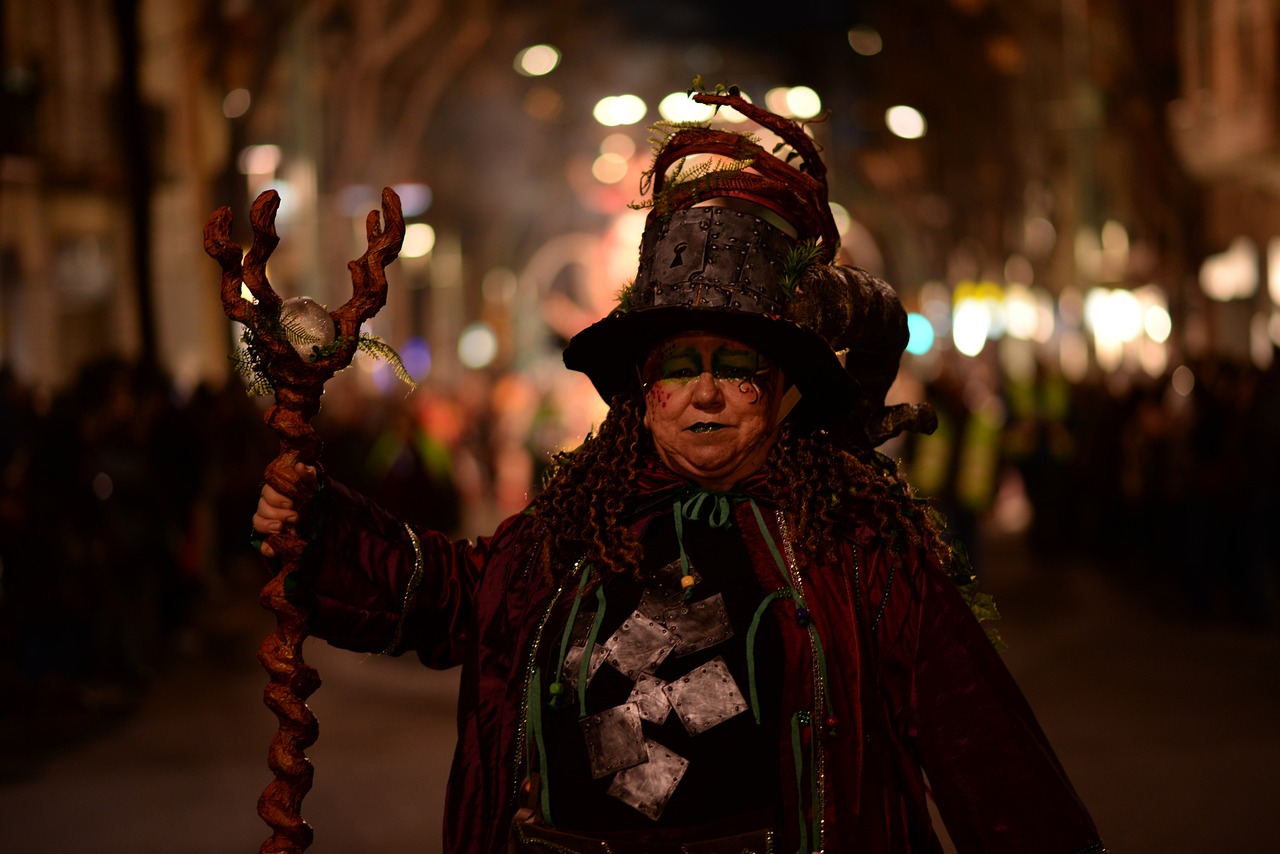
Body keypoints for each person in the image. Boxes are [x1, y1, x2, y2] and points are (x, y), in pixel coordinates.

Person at [253, 90, 1104, 854]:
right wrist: (317, 523)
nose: (704, 393)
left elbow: (993, 765)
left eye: (735, 366)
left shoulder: (860, 551)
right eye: (678, 367)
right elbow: (444, 597)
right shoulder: (572, 534)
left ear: (783, 390)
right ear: (642, 391)